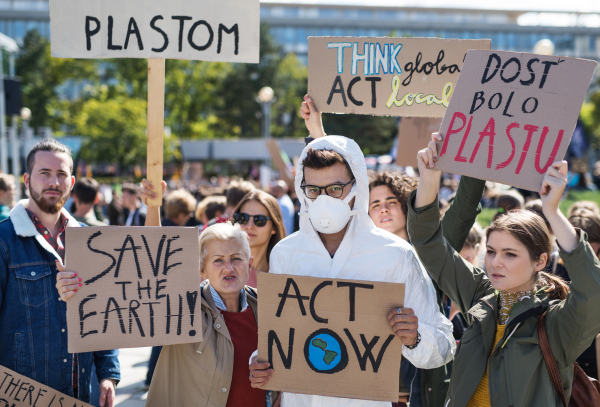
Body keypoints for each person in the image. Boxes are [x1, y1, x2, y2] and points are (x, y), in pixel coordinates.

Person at [250, 99, 456, 407]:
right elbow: (280, 338)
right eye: (313, 190)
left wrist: (415, 337)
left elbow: (443, 346)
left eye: (335, 189)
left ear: (357, 186)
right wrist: (260, 361)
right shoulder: (285, 254)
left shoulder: (395, 256)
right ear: (301, 188)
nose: (323, 199)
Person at [409, 133, 600, 406]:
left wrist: (553, 212)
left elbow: (593, 291)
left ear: (540, 261)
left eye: (510, 254)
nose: (495, 262)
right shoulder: (481, 294)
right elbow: (428, 243)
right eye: (491, 251)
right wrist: (429, 178)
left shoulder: (557, 324)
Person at [136, 179, 277, 407]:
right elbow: (155, 268)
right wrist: (153, 206)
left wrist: (273, 377)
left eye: (236, 259)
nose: (228, 268)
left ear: (249, 264)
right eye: (218, 260)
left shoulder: (269, 309)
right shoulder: (184, 308)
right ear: (202, 270)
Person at [1, 139, 120, 405]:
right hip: (22, 397)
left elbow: (104, 316)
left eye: (61, 174)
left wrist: (108, 375)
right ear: (27, 179)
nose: (54, 181)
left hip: (80, 393)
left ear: (72, 182)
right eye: (45, 173)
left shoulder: (92, 242)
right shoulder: (3, 240)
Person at [232, 190, 286, 287]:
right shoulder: (221, 269)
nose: (249, 226)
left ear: (274, 227)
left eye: (259, 220)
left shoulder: (285, 275)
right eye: (243, 218)